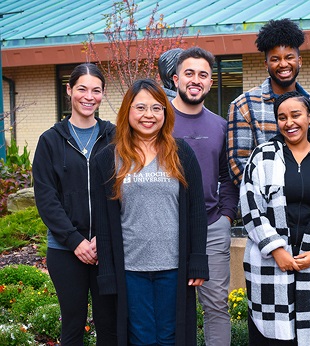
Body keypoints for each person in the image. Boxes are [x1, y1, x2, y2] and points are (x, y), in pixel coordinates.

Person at [91, 79, 209, 346]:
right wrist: (108, 274)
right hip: (131, 269)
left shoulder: (181, 153)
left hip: (174, 267)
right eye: (141, 107)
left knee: (170, 337)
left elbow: (196, 212)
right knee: (141, 338)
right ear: (127, 112)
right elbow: (104, 224)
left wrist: (198, 260)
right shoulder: (108, 159)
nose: (149, 115)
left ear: (165, 113)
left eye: (157, 108)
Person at [240, 91, 310, 346]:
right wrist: (276, 250)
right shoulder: (262, 155)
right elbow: (250, 207)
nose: (289, 123)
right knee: (272, 339)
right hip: (270, 264)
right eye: (282, 117)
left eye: (296, 115)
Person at [33, 62, 117, 346]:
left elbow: (123, 191)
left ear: (103, 94)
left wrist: (102, 239)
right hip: (65, 251)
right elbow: (46, 198)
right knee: (72, 324)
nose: (88, 96)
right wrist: (75, 241)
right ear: (69, 90)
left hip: (107, 249)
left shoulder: (115, 138)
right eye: (82, 88)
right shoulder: (50, 141)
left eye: (95, 90)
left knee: (110, 325)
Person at [170, 46, 239, 346]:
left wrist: (226, 217)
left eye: (203, 75)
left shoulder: (220, 126)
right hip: (166, 229)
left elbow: (228, 176)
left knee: (216, 307)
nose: (195, 80)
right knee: (172, 308)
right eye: (189, 73)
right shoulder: (158, 119)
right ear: (175, 79)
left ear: (211, 83)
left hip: (211, 227)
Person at [228, 18, 310, 186]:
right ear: (266, 64)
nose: (283, 64)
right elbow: (238, 164)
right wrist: (276, 196)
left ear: (299, 61)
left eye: (289, 57)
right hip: (264, 205)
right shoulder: (244, 105)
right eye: (275, 59)